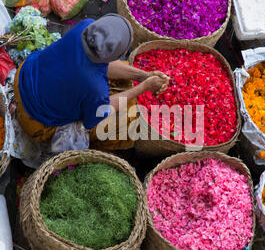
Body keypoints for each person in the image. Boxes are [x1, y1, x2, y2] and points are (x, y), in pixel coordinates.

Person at [13, 13, 169, 150]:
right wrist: (143, 87)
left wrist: (143, 76)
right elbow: (99, 114)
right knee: (126, 117)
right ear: (115, 56)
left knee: (119, 76)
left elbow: (101, 66)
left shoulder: (85, 27)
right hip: (35, 120)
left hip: (23, 76)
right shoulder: (96, 88)